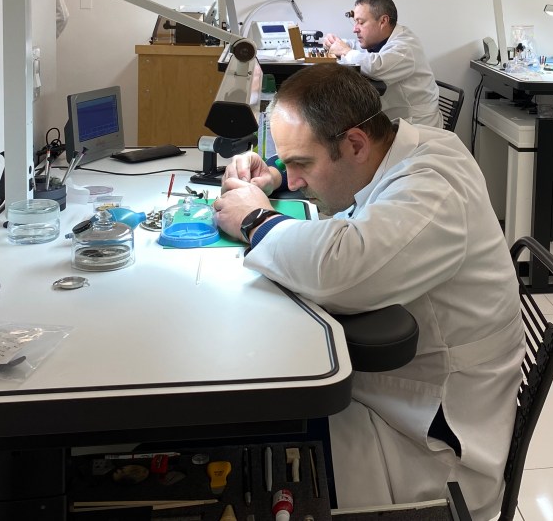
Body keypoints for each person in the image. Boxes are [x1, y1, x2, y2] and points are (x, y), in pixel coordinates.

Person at [212, 64, 523, 521]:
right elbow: (348, 199)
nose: (295, 178)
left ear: (355, 142)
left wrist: (255, 219)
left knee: (253, 429)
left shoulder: (434, 187)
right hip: (400, 382)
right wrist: (276, 174)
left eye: (303, 163)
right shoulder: (397, 146)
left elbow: (343, 269)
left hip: (430, 422)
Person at [323, 0, 443, 128]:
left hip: (415, 125)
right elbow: (361, 49)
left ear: (383, 21)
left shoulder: (405, 46)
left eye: (361, 22)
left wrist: (345, 51)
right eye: (355, 22)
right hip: (394, 117)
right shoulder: (381, 40)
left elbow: (376, 66)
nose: (355, 29)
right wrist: (337, 43)